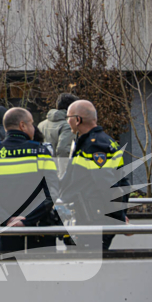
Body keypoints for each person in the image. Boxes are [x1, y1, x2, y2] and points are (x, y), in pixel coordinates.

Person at [0, 107, 61, 254]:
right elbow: (52, 192)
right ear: (23, 125)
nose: (33, 128)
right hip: (39, 230)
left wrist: (8, 220)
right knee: (43, 268)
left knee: (10, 267)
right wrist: (27, 220)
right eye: (31, 123)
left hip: (7, 231)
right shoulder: (41, 152)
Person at [59, 100, 129, 250]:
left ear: (78, 120)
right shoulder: (103, 142)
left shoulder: (94, 146)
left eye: (68, 117)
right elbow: (123, 182)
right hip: (91, 219)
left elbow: (107, 185)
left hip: (93, 221)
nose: (67, 121)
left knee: (87, 261)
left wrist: (120, 218)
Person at [38, 93, 78, 161]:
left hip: (42, 165)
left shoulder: (41, 124)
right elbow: (64, 150)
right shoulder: (68, 126)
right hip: (59, 165)